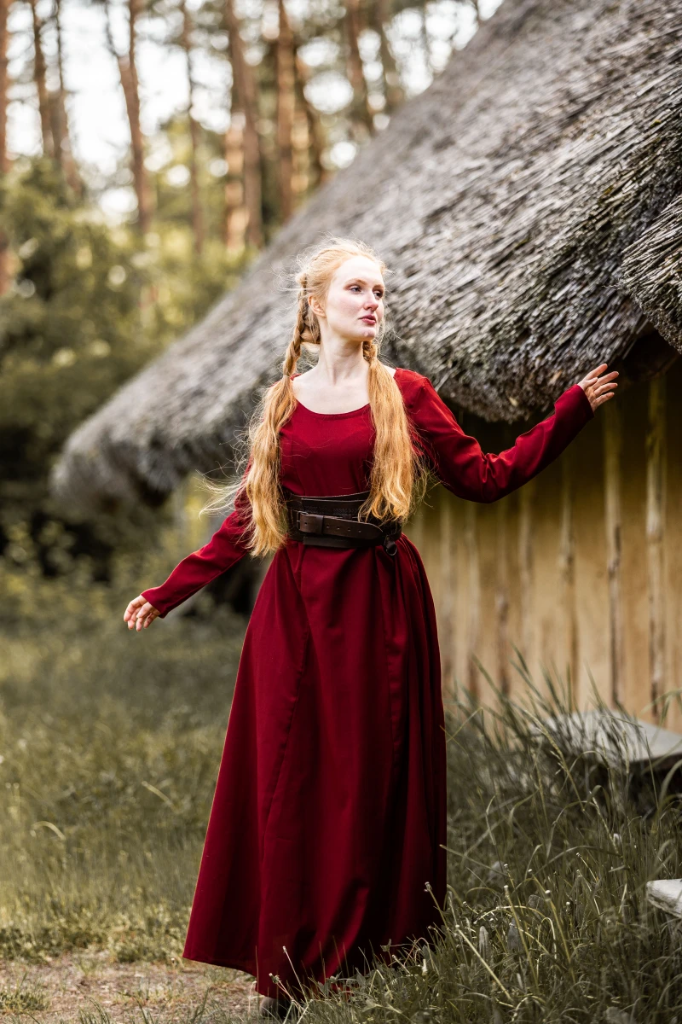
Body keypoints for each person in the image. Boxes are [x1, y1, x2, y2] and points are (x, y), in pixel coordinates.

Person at [124, 237, 617, 1017]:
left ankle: (360, 956)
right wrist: (169, 591)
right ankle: (282, 973)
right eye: (357, 287)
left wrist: (569, 414)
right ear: (316, 304)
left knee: (363, 781)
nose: (373, 300)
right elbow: (249, 520)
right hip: (292, 607)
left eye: (380, 289)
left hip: (378, 603)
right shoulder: (283, 401)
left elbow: (486, 478)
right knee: (288, 780)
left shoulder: (405, 394)